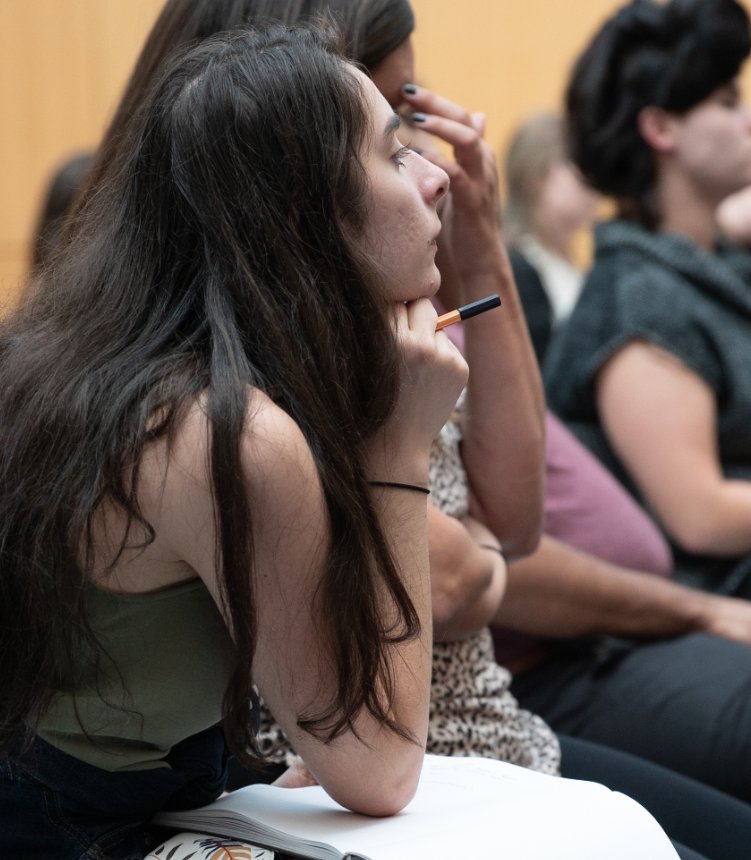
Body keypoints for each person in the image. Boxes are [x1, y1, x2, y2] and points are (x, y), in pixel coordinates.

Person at [0, 25, 469, 858]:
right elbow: (382, 771)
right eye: (395, 155)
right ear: (301, 221)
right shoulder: (225, 432)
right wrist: (400, 450)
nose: (437, 178)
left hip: (166, 791)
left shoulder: (129, 359)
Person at [545, 0, 751, 602]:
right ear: (661, 128)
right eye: (727, 101)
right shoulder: (637, 298)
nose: (746, 119)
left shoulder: (716, 264)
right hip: (699, 601)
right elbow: (699, 514)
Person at [502, 112, 598, 363]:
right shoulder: (518, 266)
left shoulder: (565, 263)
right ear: (538, 176)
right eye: (581, 169)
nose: (594, 183)